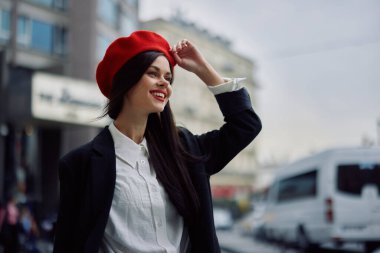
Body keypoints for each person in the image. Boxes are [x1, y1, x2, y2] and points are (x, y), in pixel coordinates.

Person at [53, 30, 261, 253]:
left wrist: (203, 70)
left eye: (168, 78)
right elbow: (68, 245)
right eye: (153, 74)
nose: (164, 83)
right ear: (126, 80)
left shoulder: (184, 149)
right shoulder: (79, 165)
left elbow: (246, 126)